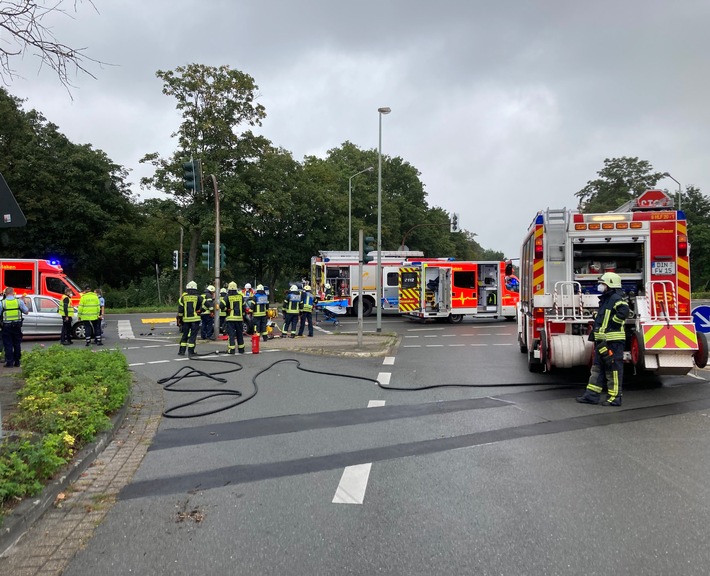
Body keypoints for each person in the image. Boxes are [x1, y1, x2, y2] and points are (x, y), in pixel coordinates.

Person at [576, 272, 629, 406]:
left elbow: (624, 311)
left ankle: (615, 398)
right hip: (602, 341)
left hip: (613, 341)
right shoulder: (606, 299)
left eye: (603, 284)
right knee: (597, 368)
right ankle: (591, 396)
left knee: (614, 370)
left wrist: (613, 324)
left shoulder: (617, 298)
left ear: (610, 284)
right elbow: (603, 317)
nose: (600, 286)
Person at [0, 287, 29, 367]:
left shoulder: (2, 303)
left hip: (6, 327)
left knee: (8, 344)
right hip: (17, 326)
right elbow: (26, 312)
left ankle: (9, 363)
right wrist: (24, 303)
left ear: (5, 293)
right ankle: (17, 362)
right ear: (13, 293)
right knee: (17, 344)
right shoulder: (19, 301)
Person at [177, 280, 203, 356]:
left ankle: (181, 351)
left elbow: (180, 310)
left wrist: (180, 319)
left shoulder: (183, 298)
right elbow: (208, 305)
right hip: (195, 320)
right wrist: (200, 310)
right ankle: (191, 352)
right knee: (193, 336)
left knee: (184, 335)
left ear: (187, 289)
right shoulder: (199, 297)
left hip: (186, 320)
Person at [224, 281, 246, 354]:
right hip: (239, 319)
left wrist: (227, 309)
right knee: (240, 334)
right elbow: (244, 307)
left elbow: (221, 305)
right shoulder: (240, 296)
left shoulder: (227, 297)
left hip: (230, 319)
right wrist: (242, 315)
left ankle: (232, 349)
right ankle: (241, 349)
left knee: (231, 335)